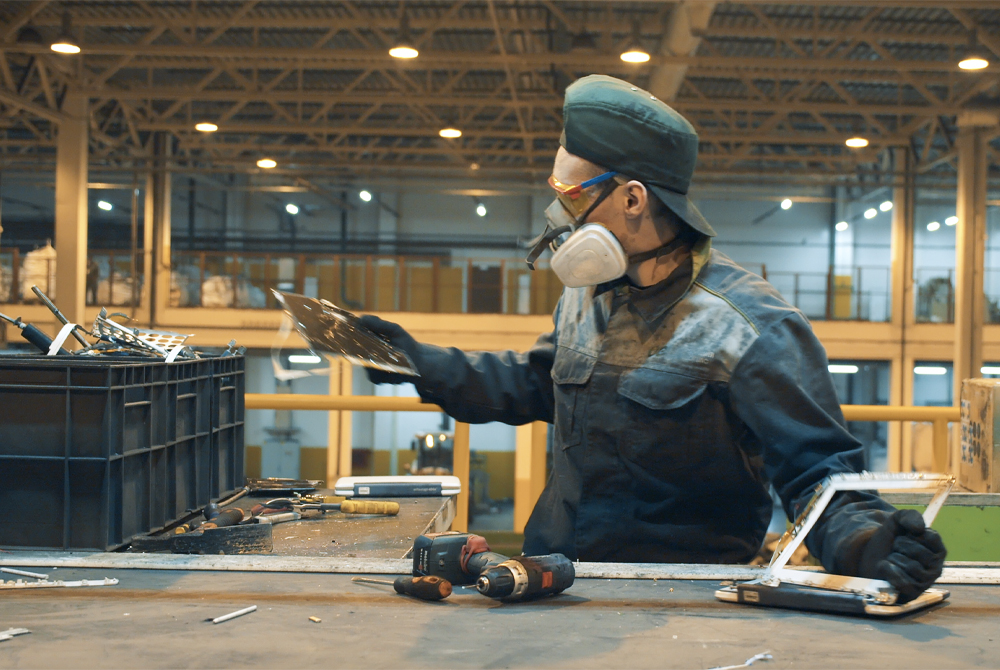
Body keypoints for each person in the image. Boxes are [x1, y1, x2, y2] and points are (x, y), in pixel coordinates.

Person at [360, 75, 946, 603]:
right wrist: (417, 362)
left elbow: (820, 473)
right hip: (557, 579)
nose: (558, 220)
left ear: (633, 198)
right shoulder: (590, 295)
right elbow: (538, 384)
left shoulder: (747, 324)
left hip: (680, 595)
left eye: (571, 198)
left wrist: (867, 543)